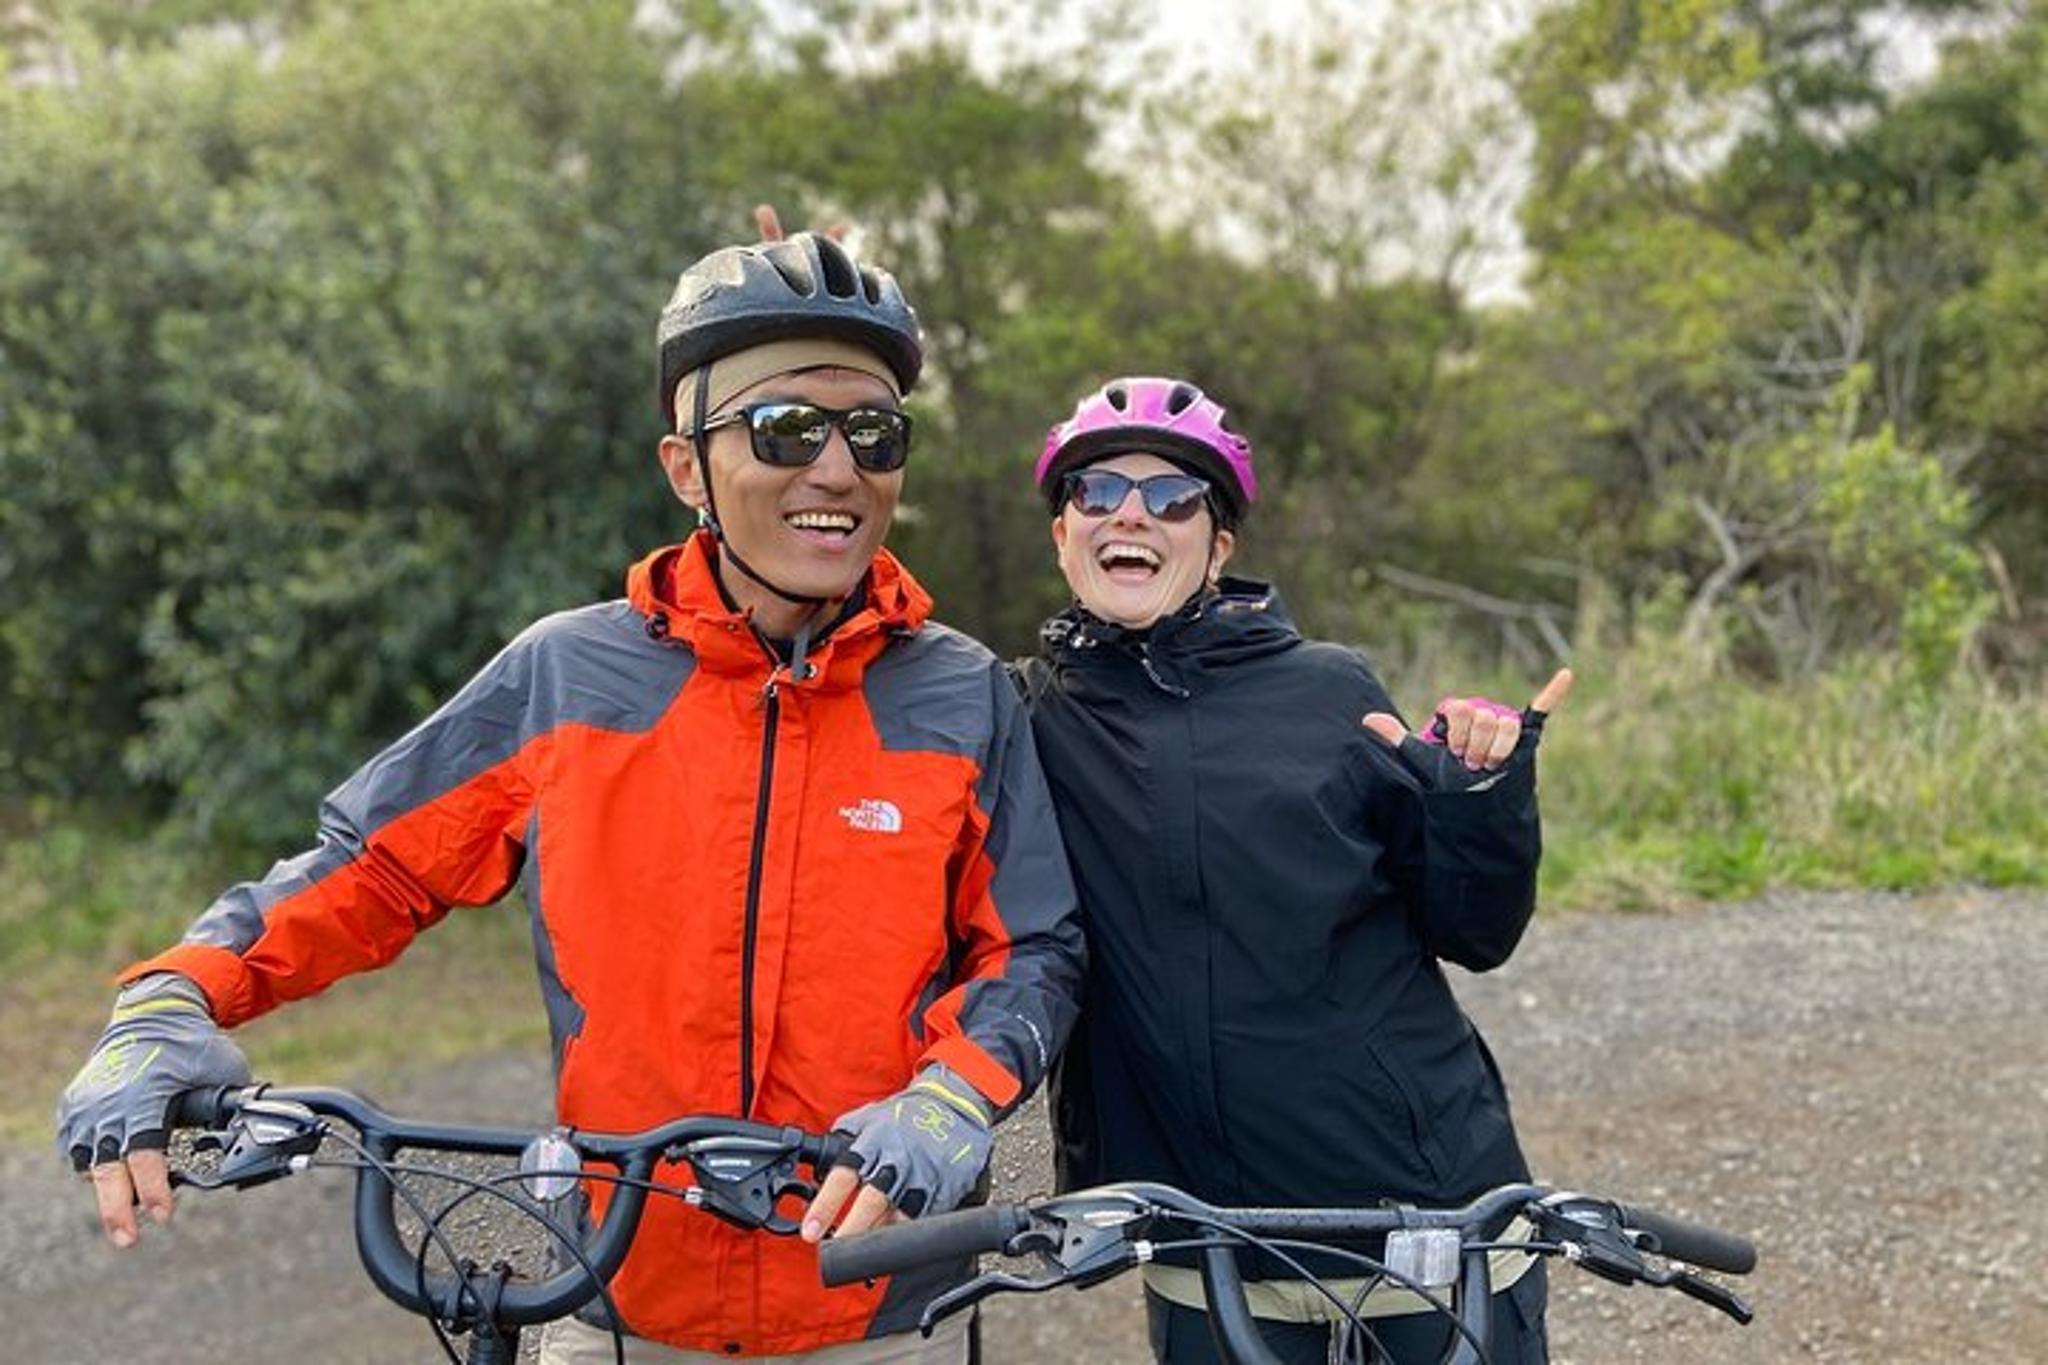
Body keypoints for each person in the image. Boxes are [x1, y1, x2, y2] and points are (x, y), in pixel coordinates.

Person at [54, 230, 1086, 1364]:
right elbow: (372, 866)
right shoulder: (567, 676)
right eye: (786, 429)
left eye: (873, 433)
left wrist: (949, 1099)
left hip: (881, 1302)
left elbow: (1028, 951)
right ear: (686, 466)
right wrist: (170, 1001)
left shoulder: (961, 695)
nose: (836, 470)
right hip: (618, 1293)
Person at [1014, 376, 1568, 1364]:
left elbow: (1477, 933)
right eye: (1095, 491)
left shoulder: (1328, 692)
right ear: (1062, 534)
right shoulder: (1023, 718)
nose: (1130, 512)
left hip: (1431, 1219)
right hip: (1203, 1250)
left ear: (1217, 545)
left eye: (1172, 495)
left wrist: (1476, 798)